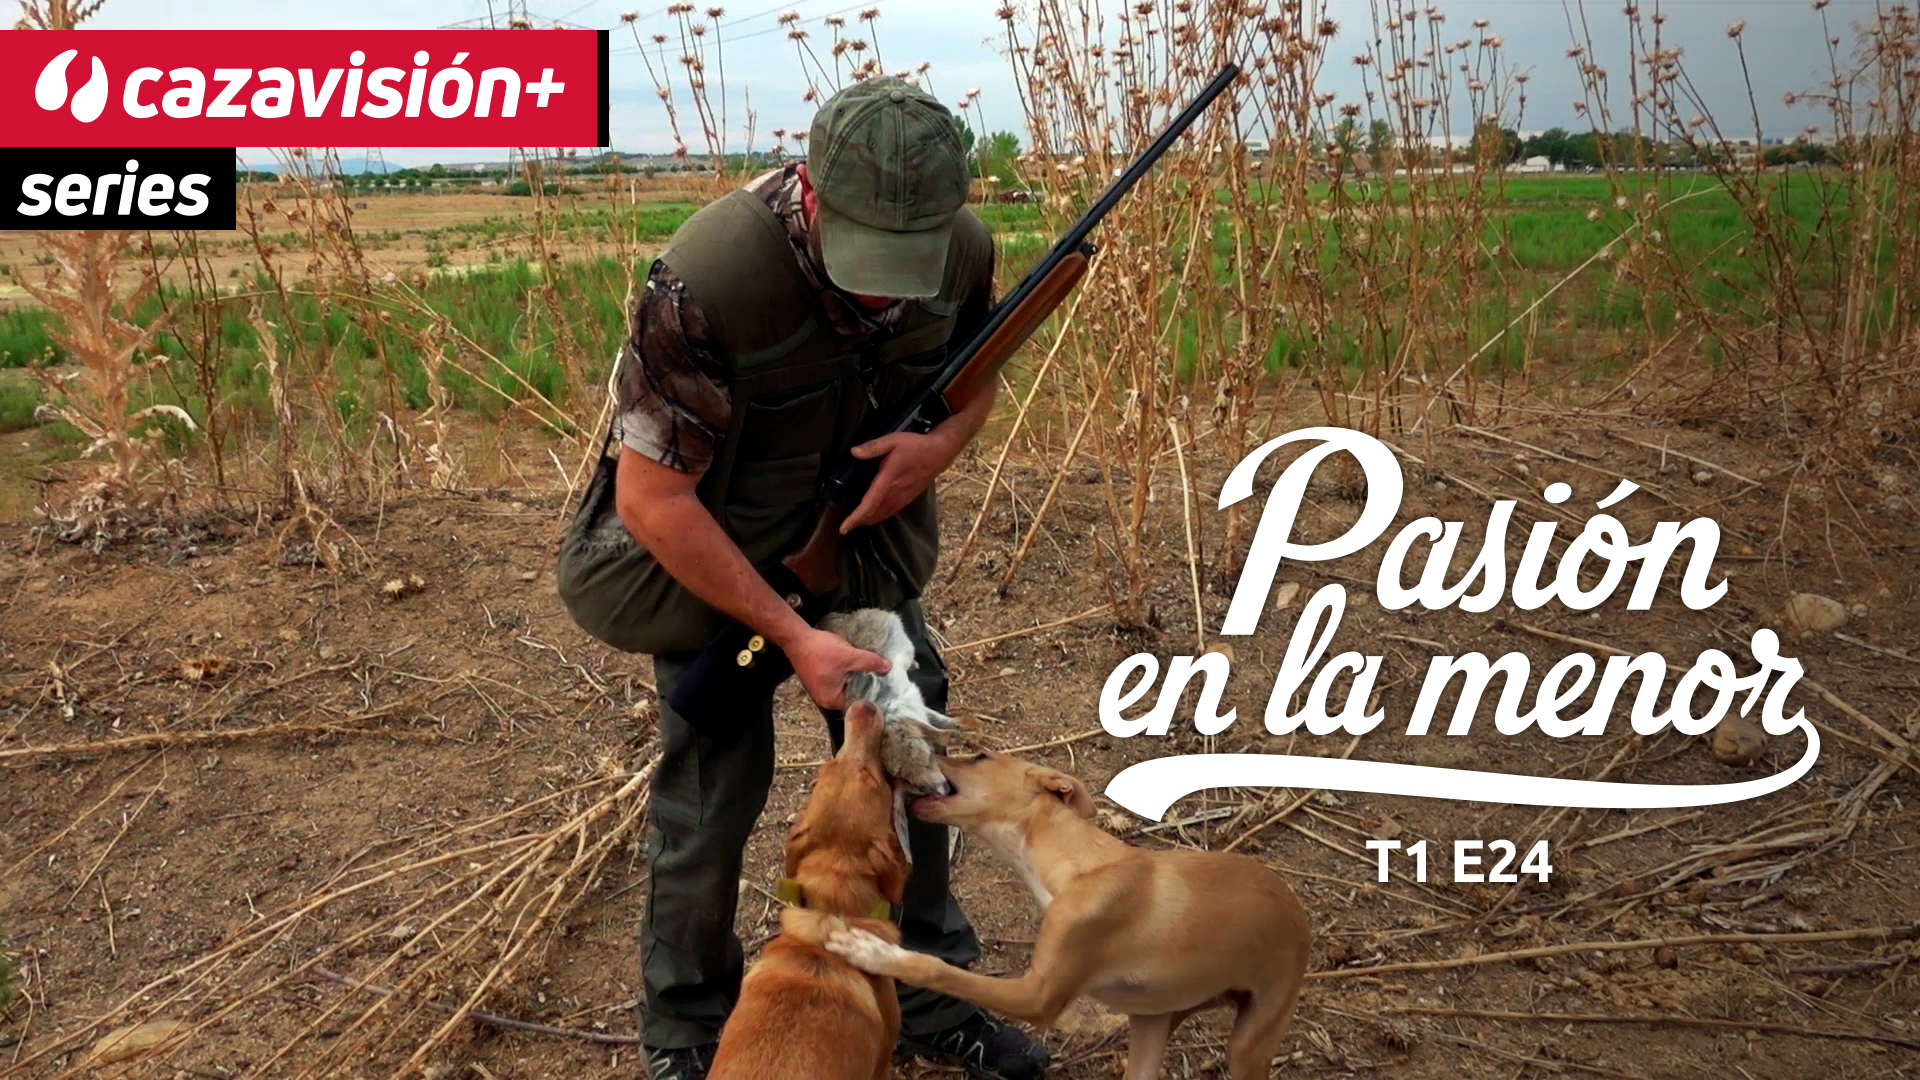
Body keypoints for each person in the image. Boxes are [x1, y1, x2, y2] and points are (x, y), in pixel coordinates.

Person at [604, 77, 1051, 1080]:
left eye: (909, 263)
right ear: (810, 190)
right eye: (867, 261)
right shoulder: (704, 281)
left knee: (914, 755)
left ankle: (930, 994)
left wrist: (932, 456)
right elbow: (651, 501)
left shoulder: (964, 250)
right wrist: (793, 634)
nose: (888, 291)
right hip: (717, 551)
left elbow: (974, 383)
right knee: (710, 793)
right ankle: (686, 1035)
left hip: (855, 547)